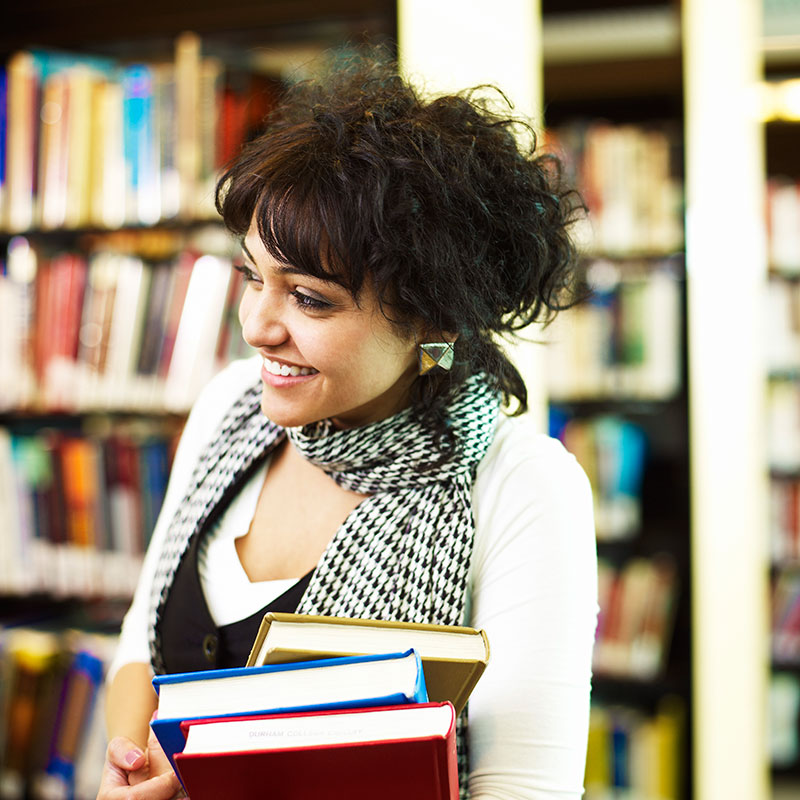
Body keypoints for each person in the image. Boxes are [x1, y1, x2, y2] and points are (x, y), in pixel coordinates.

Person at [98, 51, 597, 800]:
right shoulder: (231, 410)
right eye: (251, 278)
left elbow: (522, 790)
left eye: (310, 299)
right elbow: (142, 643)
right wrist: (131, 764)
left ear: (431, 314)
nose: (258, 326)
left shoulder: (523, 488)